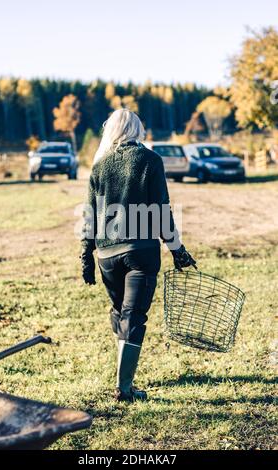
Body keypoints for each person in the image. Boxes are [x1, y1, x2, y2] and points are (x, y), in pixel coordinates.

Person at [81, 109, 196, 402]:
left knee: (121, 313)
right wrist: (177, 249)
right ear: (137, 130)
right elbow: (160, 210)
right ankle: (125, 388)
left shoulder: (99, 165)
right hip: (140, 252)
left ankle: (125, 381)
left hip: (106, 255)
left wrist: (86, 255)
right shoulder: (150, 160)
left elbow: (89, 216)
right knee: (133, 317)